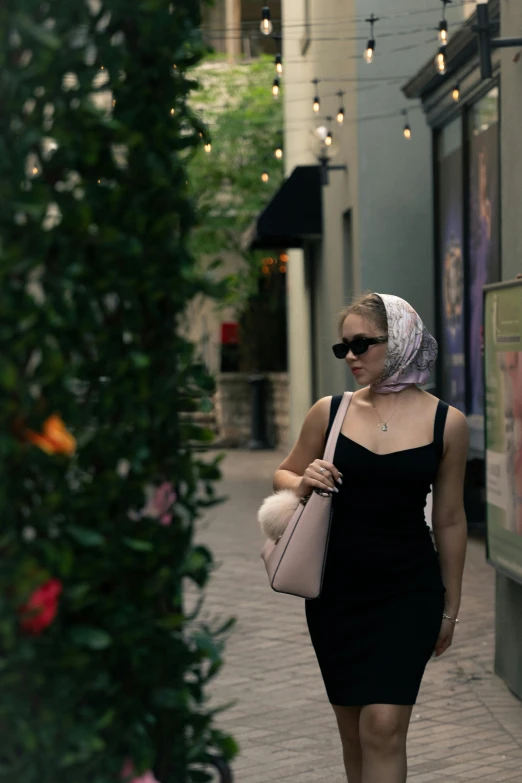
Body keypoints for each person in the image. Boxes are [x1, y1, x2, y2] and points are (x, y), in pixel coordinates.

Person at [273, 293, 468, 783]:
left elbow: (449, 518)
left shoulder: (448, 422)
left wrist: (450, 607)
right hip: (336, 592)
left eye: (362, 344)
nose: (352, 357)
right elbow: (284, 473)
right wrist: (302, 481)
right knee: (354, 732)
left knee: (383, 726)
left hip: (409, 590)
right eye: (344, 348)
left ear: (400, 339)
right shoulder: (330, 412)